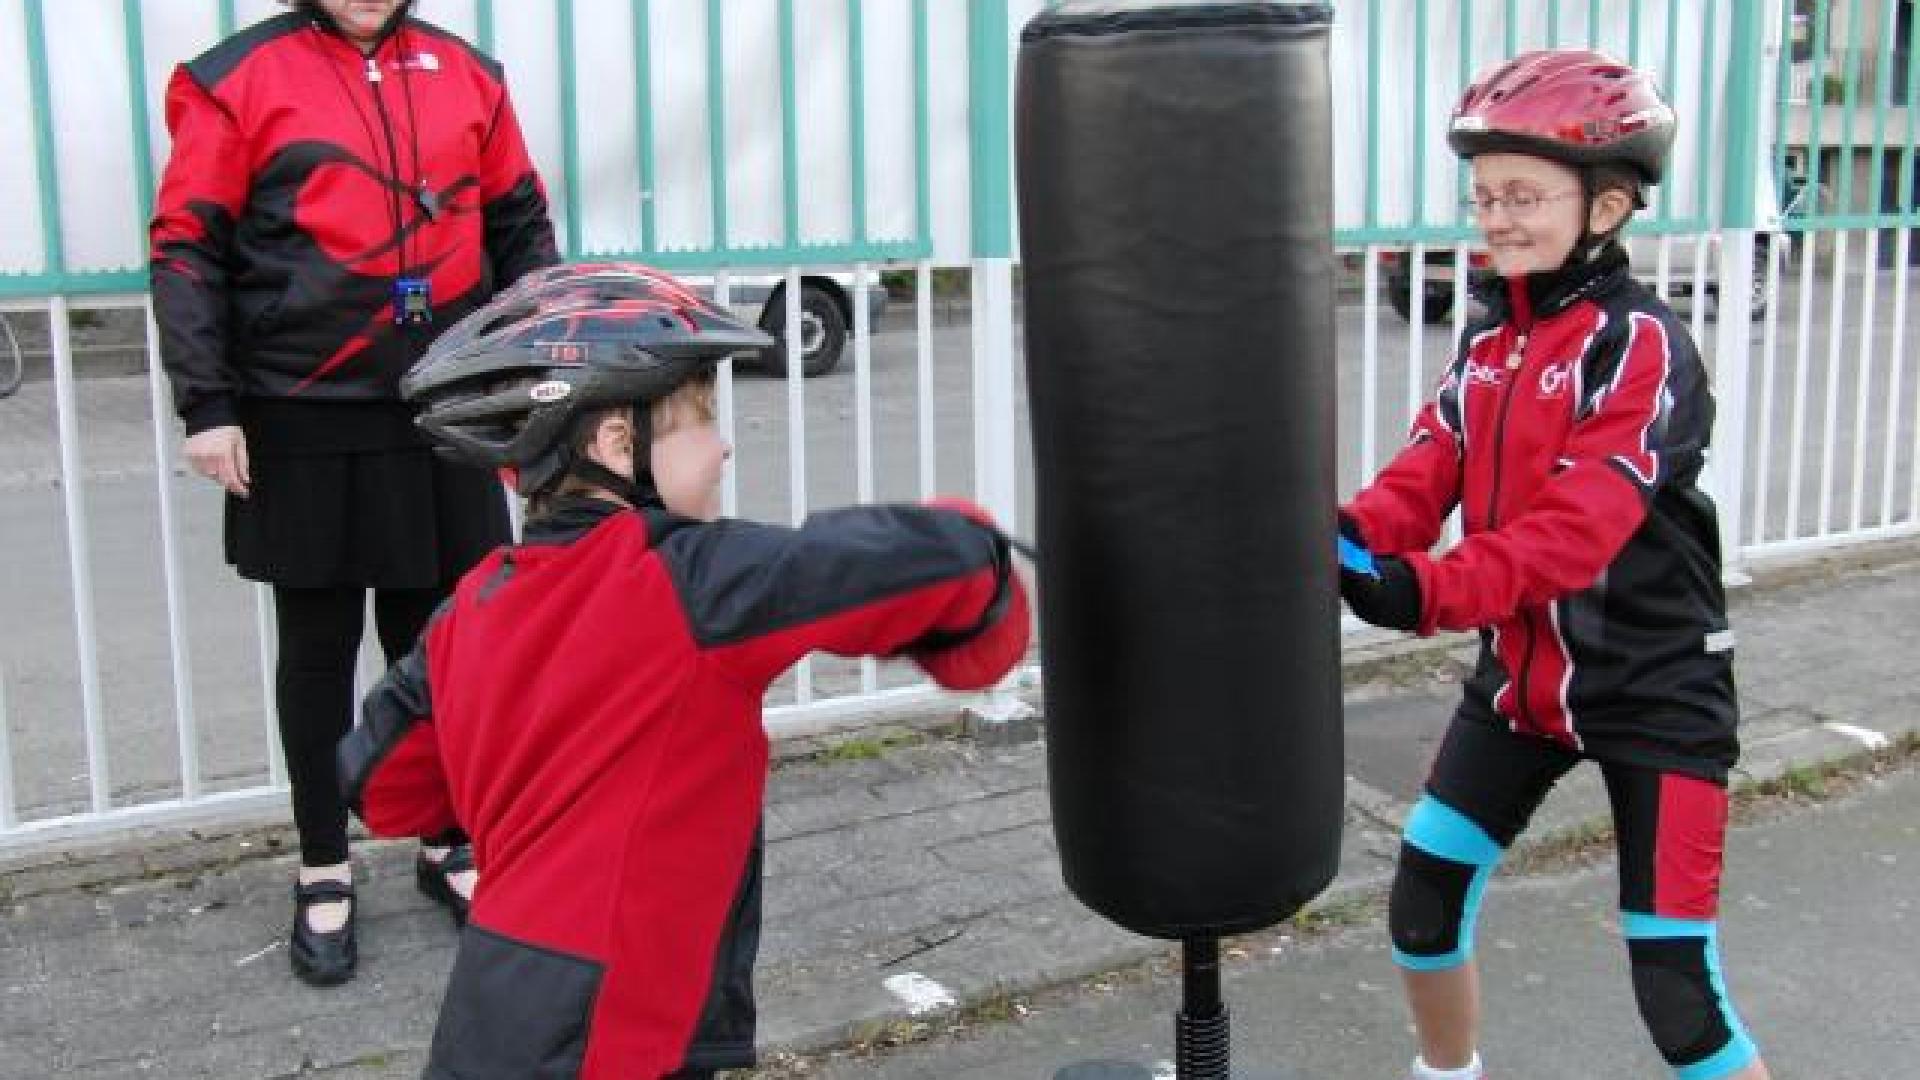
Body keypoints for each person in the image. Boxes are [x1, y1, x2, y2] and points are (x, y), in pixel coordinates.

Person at [337, 263, 1033, 1079]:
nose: (722, 443)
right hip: (612, 1037)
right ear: (615, 442)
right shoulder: (687, 581)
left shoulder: (471, 608)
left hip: (492, 1014)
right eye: (700, 418)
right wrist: (978, 545)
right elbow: (945, 565)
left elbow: (380, 787)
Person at [1337, 50, 1771, 1080]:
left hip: (1658, 694)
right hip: (1522, 689)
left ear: (1608, 206)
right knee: (1423, 908)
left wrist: (1422, 590)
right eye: (1485, 196)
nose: (1496, 219)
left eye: (1524, 196)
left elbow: (1573, 534)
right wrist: (1334, 536)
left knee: (1680, 999)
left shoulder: (1642, 347)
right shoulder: (1491, 342)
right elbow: (1422, 474)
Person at [148, 0, 558, 986]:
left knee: (444, 644)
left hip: (444, 405)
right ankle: (323, 864)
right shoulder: (231, 79)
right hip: (302, 408)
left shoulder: (472, 76)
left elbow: (520, 228)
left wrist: (537, 361)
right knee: (320, 651)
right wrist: (208, 404)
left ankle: (445, 839)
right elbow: (187, 247)